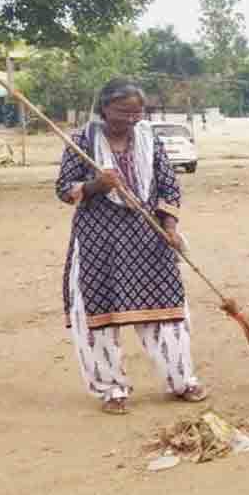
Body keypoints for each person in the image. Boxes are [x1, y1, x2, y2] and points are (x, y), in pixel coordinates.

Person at [55, 79, 207, 414]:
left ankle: (181, 380)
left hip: (148, 240)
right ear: (105, 108)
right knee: (99, 317)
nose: (132, 119)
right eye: (124, 112)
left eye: (137, 112)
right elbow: (65, 190)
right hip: (99, 244)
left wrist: (169, 228)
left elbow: (169, 185)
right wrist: (97, 184)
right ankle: (112, 390)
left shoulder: (149, 138)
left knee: (167, 312)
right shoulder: (80, 141)